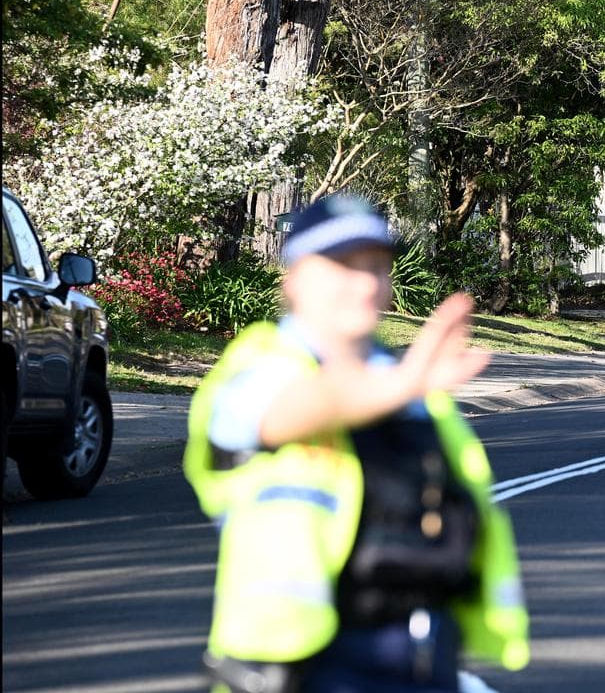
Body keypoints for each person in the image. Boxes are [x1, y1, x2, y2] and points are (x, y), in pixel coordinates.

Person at [184, 194, 529, 693]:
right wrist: (406, 382)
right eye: (343, 266)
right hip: (305, 669)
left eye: (375, 265)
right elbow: (292, 411)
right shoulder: (260, 368)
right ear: (295, 279)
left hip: (424, 654)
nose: (365, 282)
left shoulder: (415, 391)